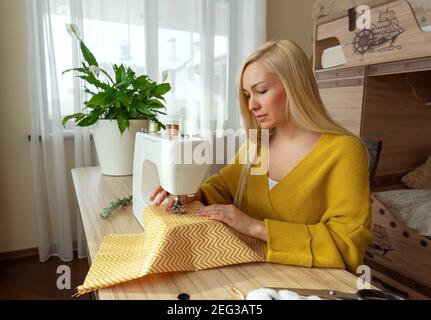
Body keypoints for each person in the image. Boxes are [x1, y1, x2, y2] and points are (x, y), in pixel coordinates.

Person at [150, 40, 373, 273]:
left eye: (261, 91)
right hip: (244, 269)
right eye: (247, 95)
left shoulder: (345, 151)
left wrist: (255, 227)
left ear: (295, 87)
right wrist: (186, 193)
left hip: (305, 280)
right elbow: (222, 188)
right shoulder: (257, 144)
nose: (251, 105)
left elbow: (348, 242)